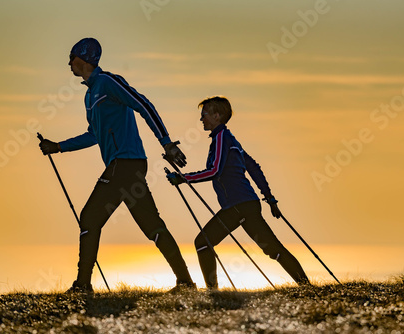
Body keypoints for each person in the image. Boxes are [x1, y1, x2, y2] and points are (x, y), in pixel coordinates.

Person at [39, 37, 195, 293]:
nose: (68, 63)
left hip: (125, 164)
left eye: (71, 58)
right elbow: (94, 134)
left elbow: (143, 104)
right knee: (152, 225)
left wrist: (166, 143)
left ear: (82, 59)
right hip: (124, 166)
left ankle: (82, 285)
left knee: (90, 217)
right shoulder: (90, 95)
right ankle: (186, 282)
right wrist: (58, 146)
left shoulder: (108, 82)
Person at [166, 96, 309, 289]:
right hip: (248, 205)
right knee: (274, 250)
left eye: (205, 114)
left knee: (202, 243)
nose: (201, 119)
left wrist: (183, 179)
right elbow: (254, 168)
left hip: (237, 206)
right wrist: (270, 199)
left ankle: (213, 292)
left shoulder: (220, 138)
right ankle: (307, 287)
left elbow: (214, 170)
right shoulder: (232, 140)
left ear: (217, 115)